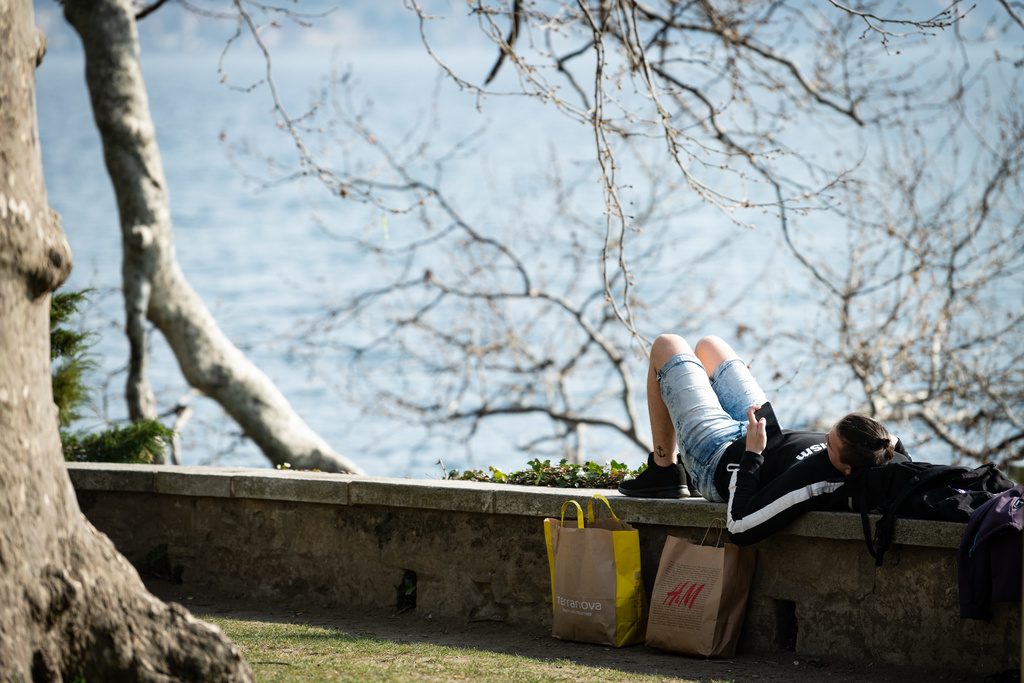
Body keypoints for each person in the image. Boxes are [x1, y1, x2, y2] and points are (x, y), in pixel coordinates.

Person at [618, 333, 908, 544]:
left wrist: (753, 455)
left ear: (846, 469)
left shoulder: (810, 482)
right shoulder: (878, 455)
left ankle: (665, 471)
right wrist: (888, 440)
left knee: (666, 346)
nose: (824, 438)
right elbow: (901, 460)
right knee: (710, 345)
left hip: (716, 458)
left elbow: (739, 526)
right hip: (762, 431)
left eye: (830, 444)